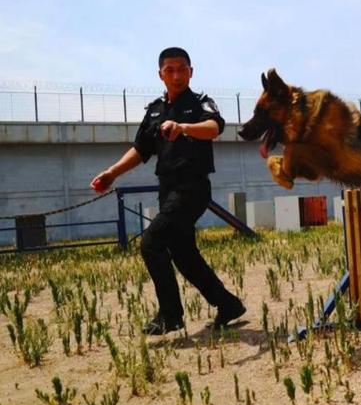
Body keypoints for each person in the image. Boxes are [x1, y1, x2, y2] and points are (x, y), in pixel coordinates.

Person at [90, 47, 246, 335]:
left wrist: (184, 127)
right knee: (183, 253)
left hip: (192, 187)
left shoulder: (200, 102)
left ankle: (171, 315)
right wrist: (112, 173)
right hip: (168, 189)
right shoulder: (154, 111)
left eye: (182, 69)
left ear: (191, 71)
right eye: (170, 70)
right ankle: (228, 304)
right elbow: (140, 150)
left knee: (151, 243)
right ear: (160, 74)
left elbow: (214, 128)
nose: (176, 75)